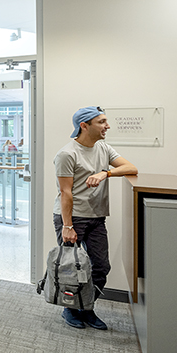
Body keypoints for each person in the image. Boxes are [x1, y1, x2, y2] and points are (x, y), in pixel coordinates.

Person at [53, 106, 137, 330]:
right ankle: (69, 309)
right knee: (71, 268)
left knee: (100, 267)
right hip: (72, 218)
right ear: (84, 126)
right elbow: (65, 193)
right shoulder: (67, 153)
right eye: (102, 122)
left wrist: (105, 172)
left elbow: (131, 168)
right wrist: (68, 225)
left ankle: (86, 308)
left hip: (96, 217)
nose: (107, 126)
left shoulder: (103, 148)